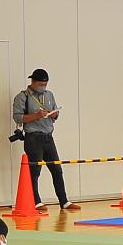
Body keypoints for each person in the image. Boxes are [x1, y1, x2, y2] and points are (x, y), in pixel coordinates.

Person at [11, 69, 77, 212]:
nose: (43, 87)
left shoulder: (49, 95)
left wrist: (54, 115)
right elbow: (17, 118)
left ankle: (64, 201)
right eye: (41, 84)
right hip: (33, 137)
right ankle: (36, 201)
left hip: (48, 136)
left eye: (45, 84)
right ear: (33, 82)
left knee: (57, 169)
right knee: (35, 170)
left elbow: (55, 112)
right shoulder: (23, 97)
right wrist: (36, 116)